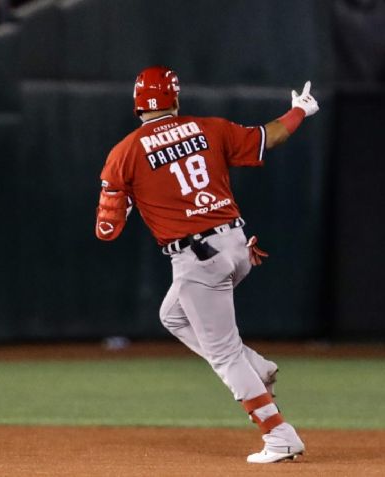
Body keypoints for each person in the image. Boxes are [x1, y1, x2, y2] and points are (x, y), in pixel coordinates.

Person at [95, 66, 319, 463]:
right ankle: (257, 366)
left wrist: (126, 198)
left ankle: (279, 434)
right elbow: (269, 137)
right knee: (172, 315)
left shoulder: (124, 153)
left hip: (198, 258)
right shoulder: (209, 128)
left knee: (223, 354)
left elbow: (107, 230)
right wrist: (300, 109)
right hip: (236, 245)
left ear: (136, 103)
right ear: (175, 100)